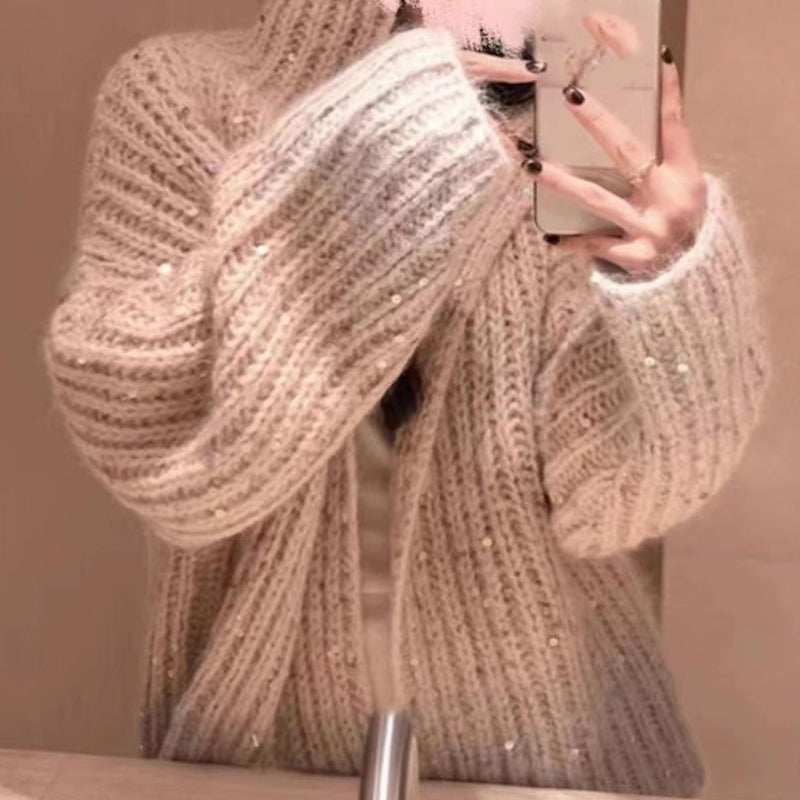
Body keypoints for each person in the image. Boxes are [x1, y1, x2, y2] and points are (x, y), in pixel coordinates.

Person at [41, 0, 772, 797]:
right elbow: (163, 446)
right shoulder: (184, 91)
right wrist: (416, 104)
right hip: (265, 755)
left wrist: (673, 282)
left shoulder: (569, 120)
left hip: (559, 755)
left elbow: (613, 505)